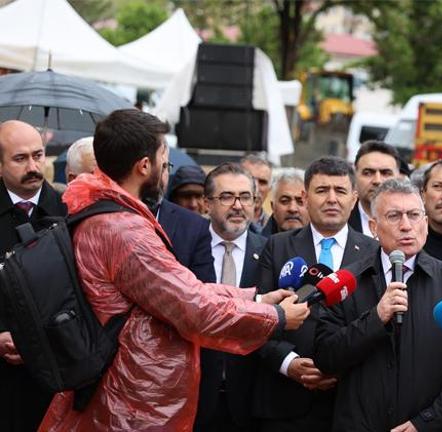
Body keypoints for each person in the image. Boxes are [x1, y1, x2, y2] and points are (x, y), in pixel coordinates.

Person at [39, 109, 309, 431]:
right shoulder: (126, 232)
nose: (166, 172)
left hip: (122, 394)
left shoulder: (108, 215)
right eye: (164, 161)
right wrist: (276, 318)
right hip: (128, 403)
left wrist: (258, 299)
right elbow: (193, 308)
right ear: (144, 166)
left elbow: (185, 290)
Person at [315, 178, 442, 431]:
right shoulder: (348, 281)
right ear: (373, 227)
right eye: (394, 216)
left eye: (414, 215)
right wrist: (376, 318)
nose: (406, 226)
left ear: (425, 223)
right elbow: (327, 357)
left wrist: (425, 422)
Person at [253, 156, 379, 431]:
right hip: (285, 404)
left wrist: (340, 367)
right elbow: (258, 319)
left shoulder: (373, 253)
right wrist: (291, 364)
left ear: (355, 198)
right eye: (322, 191)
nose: (332, 199)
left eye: (341, 191)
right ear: (305, 196)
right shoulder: (277, 247)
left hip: (352, 400)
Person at [0, 120, 68, 432]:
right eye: (20, 158)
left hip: (58, 372)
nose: (33, 166)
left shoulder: (67, 211)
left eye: (38, 155)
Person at [196, 163, 268, 432]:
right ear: (206, 204)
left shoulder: (271, 251)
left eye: (245, 197)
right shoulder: (188, 249)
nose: (237, 205)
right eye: (227, 197)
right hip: (195, 396)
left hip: (250, 402)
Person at [154, 158, 215, 284]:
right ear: (173, 198)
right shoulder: (159, 226)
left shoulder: (219, 230)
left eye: (198, 196)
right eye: (186, 196)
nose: (193, 204)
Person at [348, 140, 399, 237]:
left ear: (398, 177)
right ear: (355, 176)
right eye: (368, 173)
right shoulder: (340, 222)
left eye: (385, 173)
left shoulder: (413, 223)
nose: (377, 180)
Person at [261, 168, 309, 237]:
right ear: (273, 207)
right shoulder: (258, 246)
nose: (292, 209)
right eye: (285, 201)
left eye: (300, 201)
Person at [241, 153, 273, 230]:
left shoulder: (276, 227)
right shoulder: (213, 223)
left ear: (269, 189)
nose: (256, 188)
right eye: (250, 179)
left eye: (262, 182)